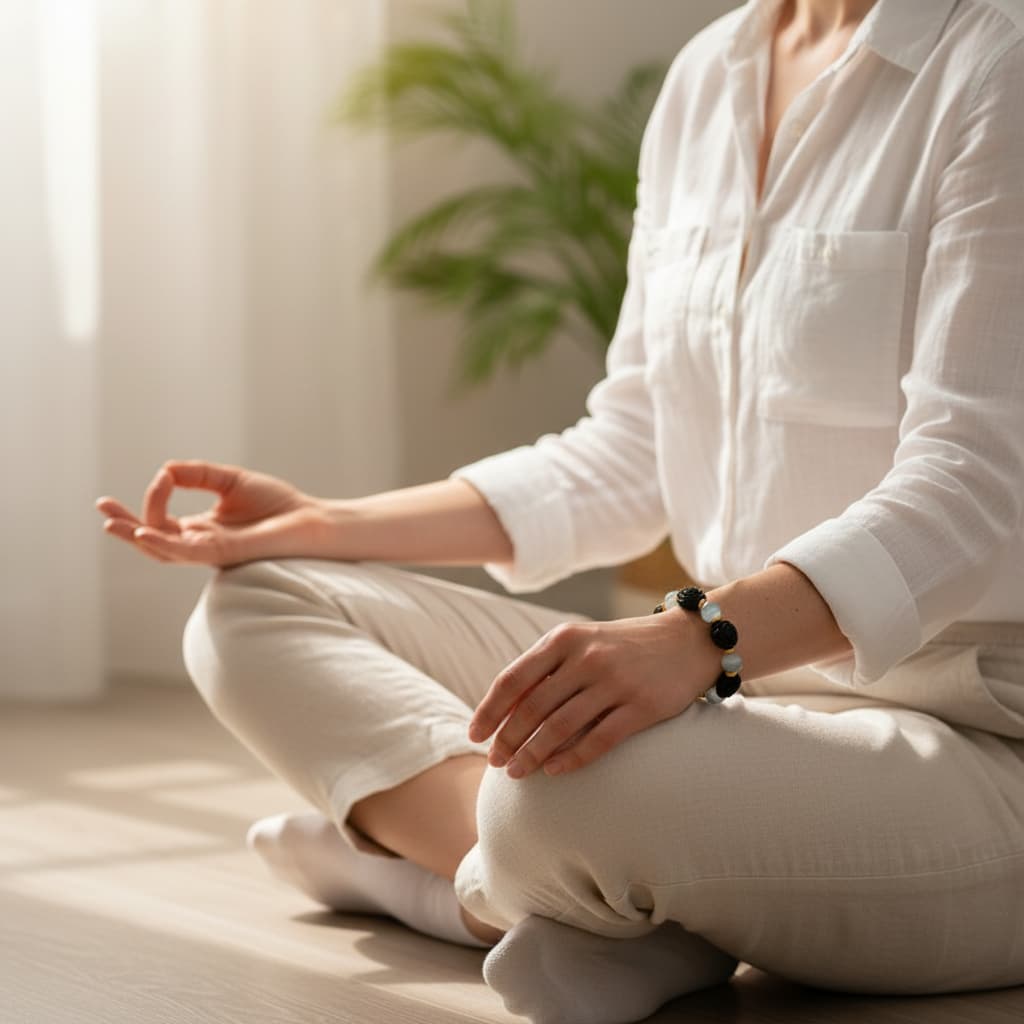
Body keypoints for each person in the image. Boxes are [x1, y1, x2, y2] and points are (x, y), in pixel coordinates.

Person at [95, 0, 1024, 1021]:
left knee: (562, 786)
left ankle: (447, 877)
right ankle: (577, 895)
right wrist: (323, 525)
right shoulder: (709, 73)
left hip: (972, 736)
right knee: (255, 603)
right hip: (730, 693)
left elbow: (976, 482)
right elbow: (632, 449)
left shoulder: (999, 59)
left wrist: (700, 637)